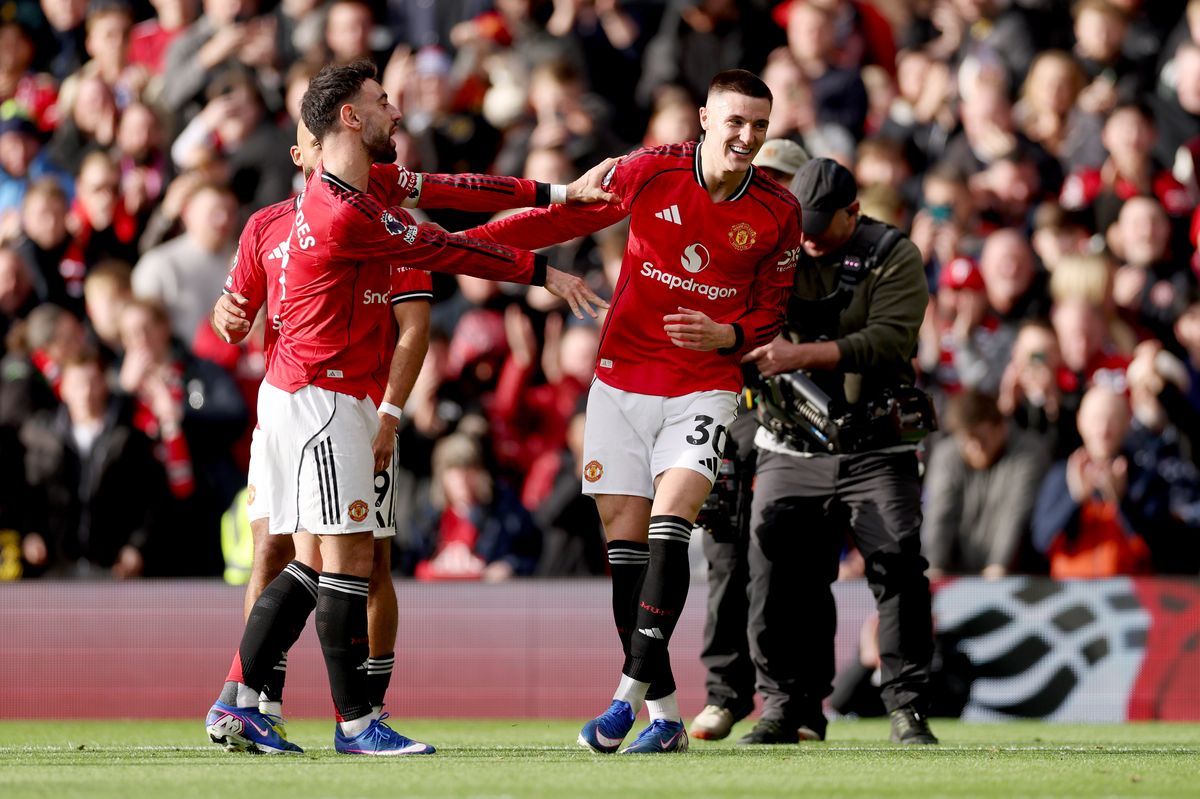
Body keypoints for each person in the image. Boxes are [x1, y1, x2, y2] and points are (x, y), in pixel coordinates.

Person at [203, 58, 605, 758]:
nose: (396, 109)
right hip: (324, 396)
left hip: (308, 394)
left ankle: (239, 698)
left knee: (317, 560)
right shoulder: (345, 215)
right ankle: (355, 722)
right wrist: (543, 272)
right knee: (343, 558)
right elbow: (445, 246)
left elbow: (458, 189)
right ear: (349, 119)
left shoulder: (362, 188)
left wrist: (556, 190)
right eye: (382, 100)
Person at [465, 69, 802, 754]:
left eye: (759, 126)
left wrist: (729, 337)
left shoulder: (776, 210)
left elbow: (772, 309)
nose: (747, 137)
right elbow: (565, 216)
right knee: (626, 547)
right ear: (704, 118)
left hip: (704, 385)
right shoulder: (651, 171)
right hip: (621, 382)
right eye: (735, 121)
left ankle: (624, 702)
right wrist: (471, 244)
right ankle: (668, 717)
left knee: (671, 525)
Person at [741, 157, 937, 745]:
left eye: (822, 225)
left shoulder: (894, 255)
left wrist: (798, 355)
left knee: (898, 563)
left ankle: (906, 706)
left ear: (855, 212)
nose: (807, 239)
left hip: (876, 442)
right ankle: (786, 705)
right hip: (791, 441)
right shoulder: (777, 247)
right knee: (775, 568)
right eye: (801, 224)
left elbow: (890, 339)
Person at [690, 137, 809, 743]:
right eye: (770, 179)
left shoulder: (815, 263)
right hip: (733, 413)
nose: (778, 192)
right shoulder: (725, 249)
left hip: (803, 426)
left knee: (788, 563)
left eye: (788, 182)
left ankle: (795, 699)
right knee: (725, 555)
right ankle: (724, 694)